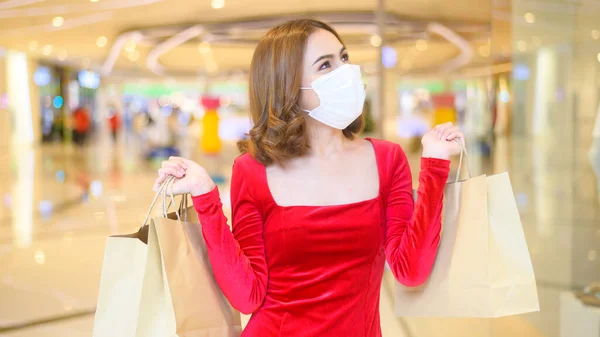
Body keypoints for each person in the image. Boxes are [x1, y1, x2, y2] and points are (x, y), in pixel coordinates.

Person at [154, 19, 464, 337]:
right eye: (325, 64)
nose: (345, 71)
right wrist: (206, 197)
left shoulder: (387, 159)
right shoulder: (252, 170)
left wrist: (435, 165)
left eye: (344, 58)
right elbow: (247, 296)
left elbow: (411, 270)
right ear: (289, 87)